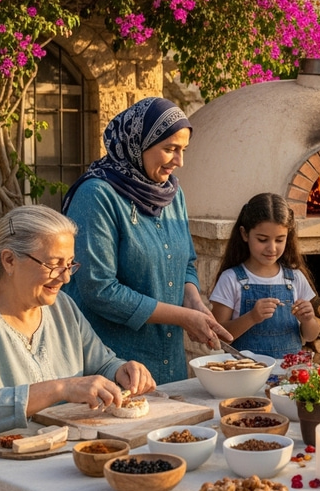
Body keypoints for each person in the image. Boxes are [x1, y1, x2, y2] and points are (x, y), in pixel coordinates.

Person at [62, 97, 231, 385]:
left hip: (170, 365)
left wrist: (193, 303)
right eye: (170, 149)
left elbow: (186, 264)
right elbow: (99, 289)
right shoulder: (96, 195)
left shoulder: (173, 195)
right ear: (137, 144)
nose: (179, 161)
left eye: (183, 150)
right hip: (115, 369)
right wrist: (182, 317)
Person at [0, 206, 155, 438]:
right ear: (9, 260)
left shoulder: (62, 306)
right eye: (54, 264)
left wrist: (121, 371)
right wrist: (60, 388)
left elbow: (101, 364)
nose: (66, 277)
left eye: (69, 264)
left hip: (72, 452)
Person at [209, 193, 318, 357]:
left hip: (288, 371)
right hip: (244, 370)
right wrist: (252, 317)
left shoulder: (295, 278)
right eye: (262, 239)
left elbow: (310, 336)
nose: (272, 248)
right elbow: (219, 337)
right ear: (245, 234)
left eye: (279, 240)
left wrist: (308, 319)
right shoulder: (231, 279)